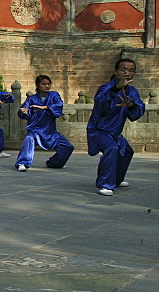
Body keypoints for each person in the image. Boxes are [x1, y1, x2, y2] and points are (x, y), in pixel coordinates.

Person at [86, 58, 144, 195]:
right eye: (123, 69)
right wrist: (115, 89)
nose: (127, 73)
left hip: (115, 133)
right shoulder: (105, 88)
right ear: (115, 71)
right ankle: (105, 184)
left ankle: (116, 179)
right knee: (111, 149)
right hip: (99, 130)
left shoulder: (132, 92)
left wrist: (132, 106)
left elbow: (137, 112)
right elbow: (100, 105)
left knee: (127, 151)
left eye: (131, 70)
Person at [15, 75, 72, 172]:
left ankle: (54, 163)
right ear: (37, 85)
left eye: (48, 84)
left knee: (68, 147)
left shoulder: (54, 95)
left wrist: (46, 107)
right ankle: (23, 163)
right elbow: (24, 110)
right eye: (44, 84)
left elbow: (58, 105)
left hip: (50, 131)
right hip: (35, 130)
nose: (47, 86)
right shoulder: (32, 99)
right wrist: (23, 111)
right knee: (29, 139)